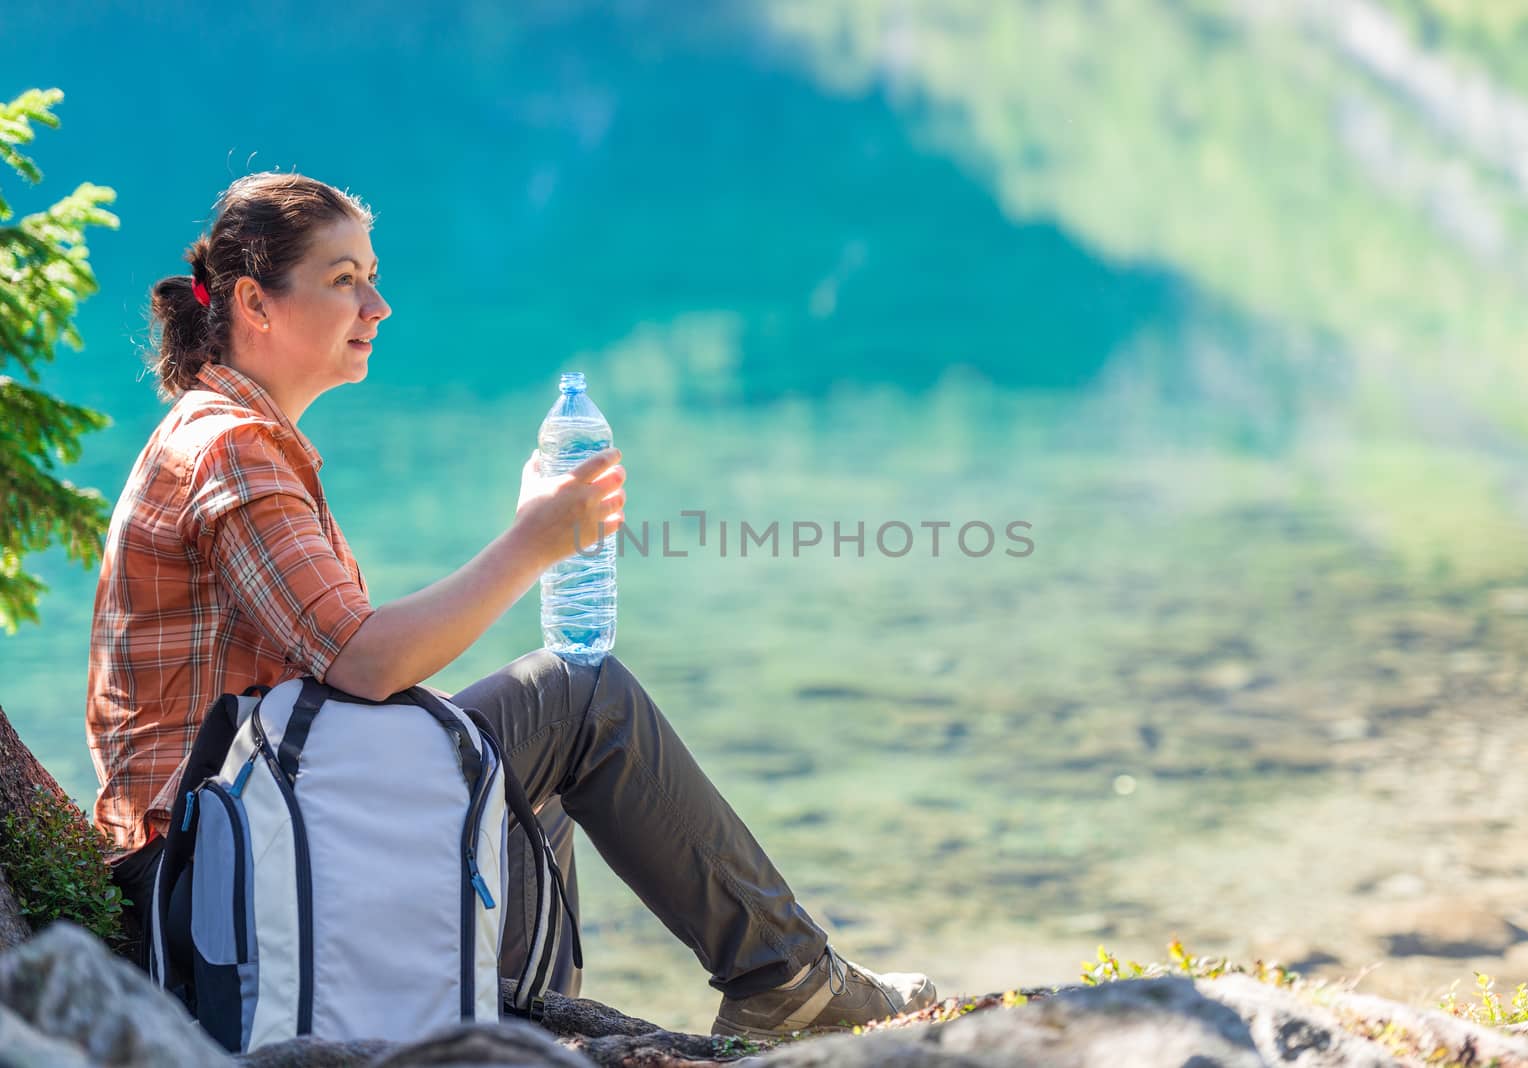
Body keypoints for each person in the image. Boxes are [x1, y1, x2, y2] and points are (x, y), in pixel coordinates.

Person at [84, 171, 934, 1039]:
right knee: (576, 698)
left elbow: (339, 687)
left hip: (241, 851)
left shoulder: (230, 438)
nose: (378, 305)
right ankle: (788, 981)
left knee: (518, 749)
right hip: (213, 877)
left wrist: (533, 538)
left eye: (372, 275)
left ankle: (515, 1020)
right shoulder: (231, 450)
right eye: (345, 280)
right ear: (256, 305)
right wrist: (532, 543)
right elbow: (367, 662)